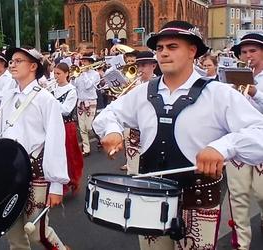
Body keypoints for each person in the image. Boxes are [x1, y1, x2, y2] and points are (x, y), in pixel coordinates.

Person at [93, 20, 263, 250]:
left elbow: (258, 131)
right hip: (150, 197)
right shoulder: (143, 92)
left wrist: (222, 147)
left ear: (192, 51)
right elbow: (108, 114)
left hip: (198, 200)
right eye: (160, 48)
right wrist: (112, 131)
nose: (163, 53)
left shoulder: (218, 93)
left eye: (172, 47)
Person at [0, 47, 70, 250]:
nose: (12, 64)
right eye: (12, 61)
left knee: (37, 232)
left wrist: (57, 184)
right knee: (13, 233)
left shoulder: (46, 99)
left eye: (18, 61)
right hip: (9, 172)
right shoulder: (9, 96)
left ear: (33, 66)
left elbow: (55, 141)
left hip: (36, 173)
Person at [226, 33, 263, 250]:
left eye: (253, 51)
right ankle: (242, 244)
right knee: (238, 195)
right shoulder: (234, 75)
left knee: (260, 192)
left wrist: (255, 92)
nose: (248, 55)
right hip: (238, 139)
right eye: (244, 51)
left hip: (261, 142)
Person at [123, 50, 158, 174]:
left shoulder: (159, 84)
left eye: (144, 65)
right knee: (132, 163)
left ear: (153, 66)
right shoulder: (134, 84)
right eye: (138, 66)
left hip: (151, 128)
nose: (139, 69)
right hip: (134, 129)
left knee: (151, 165)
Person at [53, 62, 83, 195]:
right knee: (55, 155)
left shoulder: (71, 90)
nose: (56, 76)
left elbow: (66, 110)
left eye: (58, 74)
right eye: (54, 73)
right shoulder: (53, 88)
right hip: (54, 125)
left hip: (67, 126)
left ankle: (72, 180)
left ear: (66, 74)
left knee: (69, 155)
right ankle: (58, 183)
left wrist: (51, 100)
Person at [71, 52, 100, 156]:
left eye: (85, 61)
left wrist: (84, 74)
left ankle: (99, 137)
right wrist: (74, 77)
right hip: (80, 101)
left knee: (89, 127)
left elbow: (88, 86)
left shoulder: (95, 74)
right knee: (82, 128)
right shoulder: (79, 73)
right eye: (82, 61)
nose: (83, 63)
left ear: (90, 62)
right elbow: (74, 86)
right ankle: (86, 149)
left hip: (91, 101)